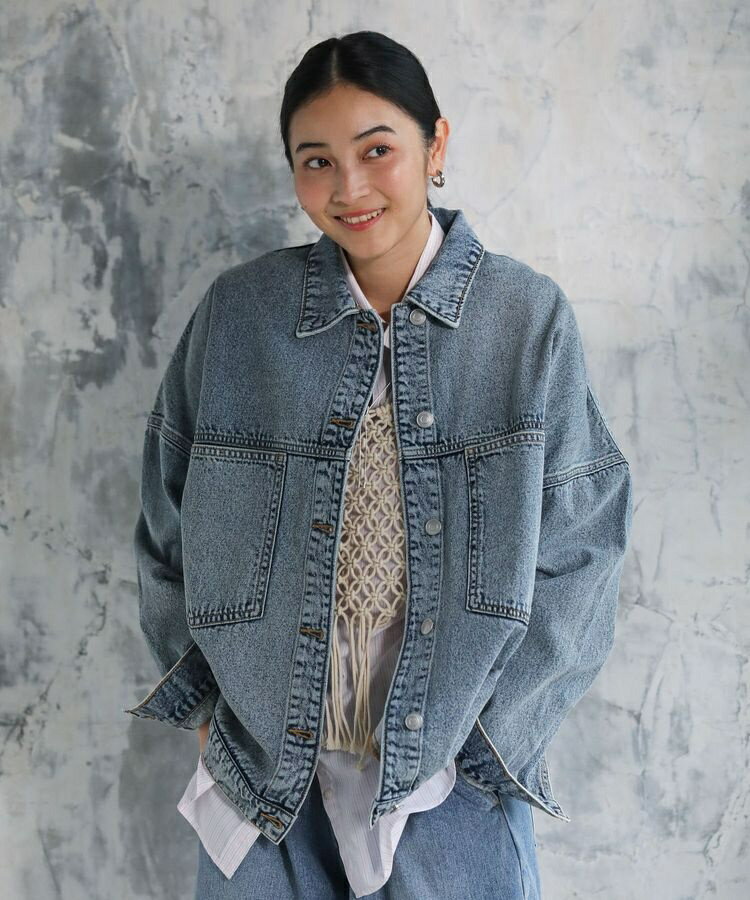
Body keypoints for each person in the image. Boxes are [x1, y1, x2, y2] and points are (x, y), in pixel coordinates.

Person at [124, 30, 633, 900]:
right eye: (316, 161)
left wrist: (490, 749)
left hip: (451, 786)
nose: (349, 188)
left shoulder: (525, 321)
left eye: (376, 151)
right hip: (263, 782)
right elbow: (166, 517)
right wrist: (206, 709)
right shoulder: (241, 315)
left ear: (435, 145)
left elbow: (582, 548)